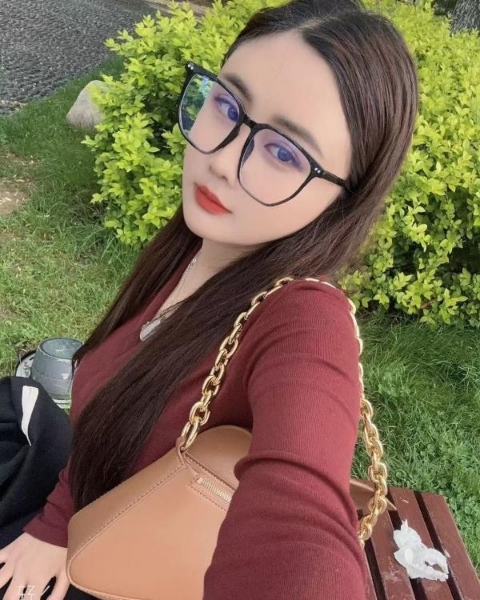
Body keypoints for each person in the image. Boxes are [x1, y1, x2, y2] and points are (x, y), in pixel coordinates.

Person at [0, 0, 419, 598]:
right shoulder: (195, 247)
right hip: (81, 524)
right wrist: (55, 524)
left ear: (345, 199)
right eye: (227, 106)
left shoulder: (306, 323)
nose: (220, 160)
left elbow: (300, 526)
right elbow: (104, 424)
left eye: (284, 153)